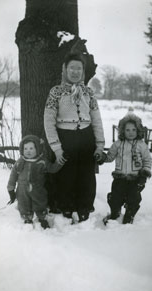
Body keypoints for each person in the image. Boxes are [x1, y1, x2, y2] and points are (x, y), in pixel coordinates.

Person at [44, 53, 105, 222]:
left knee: (86, 175)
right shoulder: (55, 92)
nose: (75, 72)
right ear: (65, 69)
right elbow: (48, 122)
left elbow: (97, 120)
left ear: (83, 71)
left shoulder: (89, 92)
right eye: (72, 68)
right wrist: (57, 148)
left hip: (86, 138)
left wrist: (100, 144)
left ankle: (84, 207)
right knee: (66, 175)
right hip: (65, 138)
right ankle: (66, 208)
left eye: (79, 68)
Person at [103, 113, 152, 224]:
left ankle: (129, 215)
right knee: (115, 197)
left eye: (134, 130)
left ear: (138, 130)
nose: (131, 133)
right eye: (127, 130)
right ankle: (115, 213)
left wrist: (144, 175)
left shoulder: (141, 145)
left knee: (134, 199)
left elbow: (147, 160)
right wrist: (102, 157)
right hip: (119, 178)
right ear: (122, 131)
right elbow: (110, 157)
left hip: (135, 179)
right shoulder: (118, 144)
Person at [7, 135, 62, 229]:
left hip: (38, 189)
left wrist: (60, 162)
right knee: (23, 204)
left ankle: (42, 217)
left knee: (40, 203)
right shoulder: (20, 162)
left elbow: (52, 169)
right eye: (25, 148)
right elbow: (13, 175)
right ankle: (27, 218)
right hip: (22, 190)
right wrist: (11, 188)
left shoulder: (42, 162)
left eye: (31, 148)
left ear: (37, 148)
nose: (28, 151)